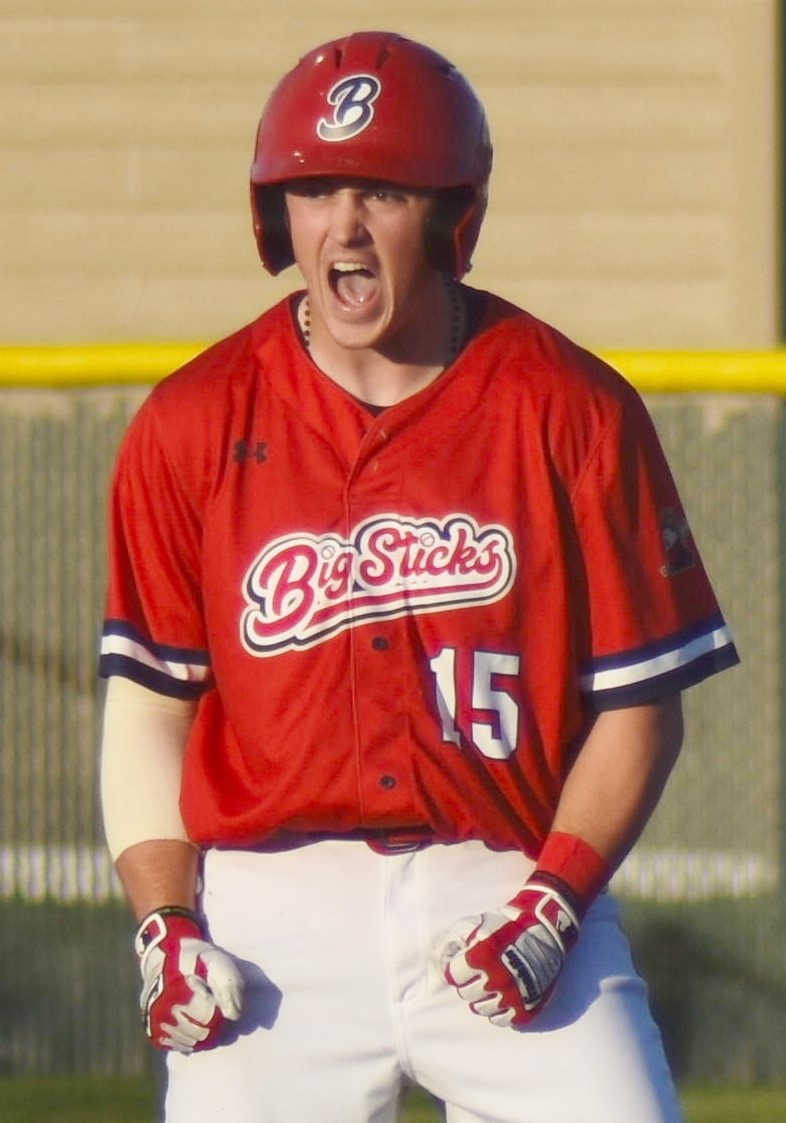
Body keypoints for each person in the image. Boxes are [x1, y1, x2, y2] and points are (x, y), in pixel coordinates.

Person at [98, 30, 739, 1123]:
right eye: (315, 189)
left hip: (507, 874)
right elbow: (152, 704)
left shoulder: (571, 408)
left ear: (451, 215)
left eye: (383, 191)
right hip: (271, 905)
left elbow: (641, 708)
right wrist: (164, 919)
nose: (343, 225)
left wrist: (554, 901)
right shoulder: (191, 422)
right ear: (276, 214)